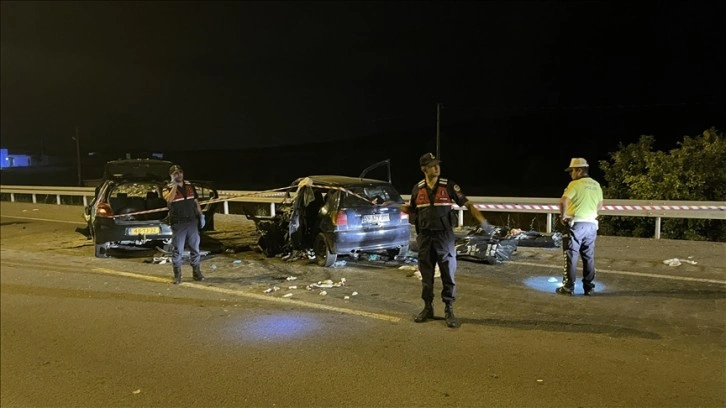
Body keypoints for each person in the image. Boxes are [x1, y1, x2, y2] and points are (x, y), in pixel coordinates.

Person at [400, 152, 492, 328]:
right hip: (425, 237)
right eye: (432, 165)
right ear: (423, 169)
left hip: (444, 236)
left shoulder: (448, 186)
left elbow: (468, 204)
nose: (437, 167)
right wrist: (392, 206)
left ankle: (449, 309)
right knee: (426, 277)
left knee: (448, 274)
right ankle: (428, 308)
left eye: (437, 164)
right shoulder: (417, 189)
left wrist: (483, 221)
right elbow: (411, 210)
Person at [557, 157, 603, 296]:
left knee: (571, 255)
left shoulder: (574, 185)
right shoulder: (596, 185)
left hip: (576, 224)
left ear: (579, 170)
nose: (571, 174)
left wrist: (563, 216)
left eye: (572, 171)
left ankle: (568, 287)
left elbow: (564, 201)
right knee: (588, 256)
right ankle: (589, 287)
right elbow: (600, 205)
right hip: (591, 225)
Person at [163, 164, 206, 284]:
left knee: (195, 248)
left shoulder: (189, 185)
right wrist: (174, 185)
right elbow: (169, 200)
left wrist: (201, 215)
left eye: (180, 172)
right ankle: (177, 275)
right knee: (178, 250)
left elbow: (195, 202)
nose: (179, 175)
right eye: (176, 173)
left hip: (192, 222)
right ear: (171, 175)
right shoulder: (167, 188)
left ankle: (196, 273)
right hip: (179, 223)